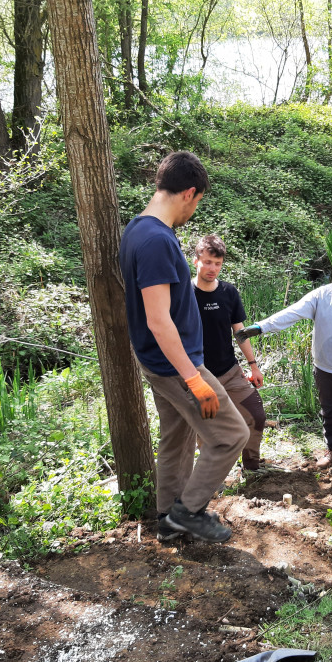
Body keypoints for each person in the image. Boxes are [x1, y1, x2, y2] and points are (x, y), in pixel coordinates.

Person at [118, 151, 249, 544]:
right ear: (189, 193)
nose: (194, 210)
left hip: (159, 362)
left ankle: (166, 518)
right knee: (232, 434)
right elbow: (159, 320)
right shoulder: (156, 240)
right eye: (198, 201)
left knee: (176, 437)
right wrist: (194, 379)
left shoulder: (137, 229)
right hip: (175, 365)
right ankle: (187, 512)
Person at [235, 245, 332, 471]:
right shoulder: (322, 295)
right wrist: (261, 327)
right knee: (328, 411)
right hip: (324, 368)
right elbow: (292, 313)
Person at [192, 234, 267, 471]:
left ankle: (252, 467)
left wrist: (253, 365)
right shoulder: (184, 294)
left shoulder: (228, 292)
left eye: (218, 263)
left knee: (256, 416)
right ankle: (211, 478)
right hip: (199, 376)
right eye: (207, 262)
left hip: (230, 372)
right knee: (207, 431)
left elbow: (240, 332)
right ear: (196, 261)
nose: (212, 268)